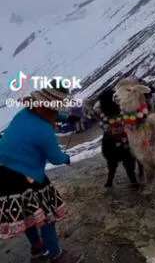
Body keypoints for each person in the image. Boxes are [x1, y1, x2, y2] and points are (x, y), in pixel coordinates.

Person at [0, 87, 84, 262]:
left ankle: (38, 249)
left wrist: (66, 118)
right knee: (47, 215)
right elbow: (56, 158)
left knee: (27, 213)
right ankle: (56, 255)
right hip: (26, 174)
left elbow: (47, 115)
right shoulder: (43, 131)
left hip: (4, 172)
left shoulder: (25, 113)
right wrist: (66, 158)